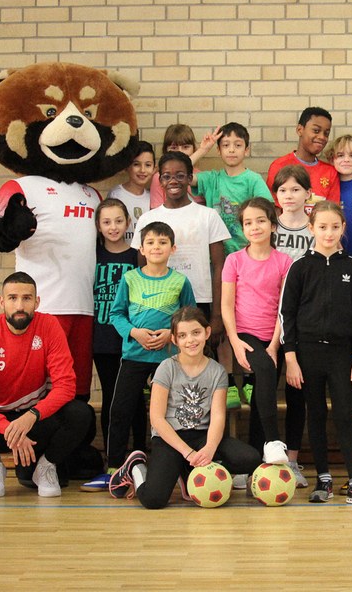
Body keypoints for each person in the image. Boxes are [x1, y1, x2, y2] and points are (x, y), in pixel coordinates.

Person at [280, 201, 352, 506]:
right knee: (315, 415)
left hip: (343, 356)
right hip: (307, 354)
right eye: (323, 227)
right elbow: (287, 315)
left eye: (335, 227)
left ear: (344, 228)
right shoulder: (299, 267)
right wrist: (291, 359)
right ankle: (323, 479)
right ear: (311, 228)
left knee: (344, 415)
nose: (329, 233)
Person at [0, 272, 93, 497]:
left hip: (34, 419)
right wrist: (8, 429)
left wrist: (31, 417)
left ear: (36, 302)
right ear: (2, 302)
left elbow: (66, 386)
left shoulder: (49, 326)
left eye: (27, 298)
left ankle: (46, 466)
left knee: (80, 413)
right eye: (13, 298)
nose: (20, 305)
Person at [108, 307, 261, 508]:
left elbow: (217, 417)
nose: (190, 340)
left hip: (202, 436)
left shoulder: (217, 372)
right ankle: (137, 467)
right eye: (182, 335)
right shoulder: (166, 368)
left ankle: (190, 471)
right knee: (153, 500)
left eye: (196, 332)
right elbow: (157, 419)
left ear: (207, 332)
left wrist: (209, 449)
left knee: (250, 458)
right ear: (174, 339)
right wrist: (187, 453)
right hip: (171, 438)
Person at [106, 220, 196, 490]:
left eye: (163, 242)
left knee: (174, 413)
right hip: (134, 356)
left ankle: (178, 466)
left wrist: (171, 334)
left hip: (168, 360)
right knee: (121, 410)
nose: (156, 247)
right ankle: (114, 466)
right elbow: (116, 314)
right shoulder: (130, 279)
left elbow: (189, 317)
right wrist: (134, 333)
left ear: (173, 248)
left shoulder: (180, 281)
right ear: (142, 249)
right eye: (151, 242)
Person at [132, 151, 230, 348]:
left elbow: (220, 266)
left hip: (199, 300)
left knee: (197, 358)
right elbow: (141, 269)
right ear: (160, 180)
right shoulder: (147, 219)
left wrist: (217, 315)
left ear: (189, 178)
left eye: (180, 175)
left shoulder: (208, 216)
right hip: (158, 303)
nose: (173, 181)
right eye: (167, 176)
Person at [222, 197, 293, 468]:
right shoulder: (234, 260)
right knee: (263, 372)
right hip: (245, 334)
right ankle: (273, 441)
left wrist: (274, 345)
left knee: (263, 393)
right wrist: (235, 342)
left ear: (273, 225)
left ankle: (250, 463)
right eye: (248, 223)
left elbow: (285, 307)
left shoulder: (284, 261)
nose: (254, 227)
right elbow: (226, 305)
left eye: (261, 221)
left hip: (274, 336)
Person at [81, 198, 142, 492]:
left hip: (132, 339)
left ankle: (141, 456)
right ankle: (112, 463)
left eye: (118, 221)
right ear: (98, 226)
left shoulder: (136, 256)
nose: (113, 227)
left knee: (137, 399)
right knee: (111, 398)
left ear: (128, 223)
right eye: (106, 222)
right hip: (103, 338)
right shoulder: (92, 256)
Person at [192, 122, 273, 256]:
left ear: (246, 150)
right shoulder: (211, 179)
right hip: (216, 256)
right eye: (225, 145)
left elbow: (268, 210)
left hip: (246, 254)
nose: (231, 150)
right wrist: (203, 150)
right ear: (218, 150)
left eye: (238, 145)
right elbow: (179, 173)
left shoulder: (253, 179)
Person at [266, 107, 340, 211]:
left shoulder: (330, 172)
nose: (322, 137)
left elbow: (333, 211)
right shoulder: (279, 166)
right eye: (316, 130)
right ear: (300, 130)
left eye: (326, 133)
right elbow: (273, 208)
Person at [148, 123, 219, 209]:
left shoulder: (201, 177)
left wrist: (203, 150)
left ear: (193, 149)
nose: (180, 151)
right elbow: (156, 213)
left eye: (185, 147)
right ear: (165, 150)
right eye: (174, 148)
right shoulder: (159, 178)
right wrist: (202, 151)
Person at [325, 134, 352, 256]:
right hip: (332, 252)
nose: (346, 160)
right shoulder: (326, 187)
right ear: (331, 160)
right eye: (340, 155)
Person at [107, 141, 155, 243]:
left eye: (148, 165)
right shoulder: (116, 195)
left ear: (154, 168)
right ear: (127, 167)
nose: (142, 170)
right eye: (136, 164)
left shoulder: (152, 197)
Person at [273, 165, 316, 261]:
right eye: (282, 190)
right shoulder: (269, 227)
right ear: (276, 194)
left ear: (308, 193)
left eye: (295, 190)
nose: (288, 196)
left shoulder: (317, 228)